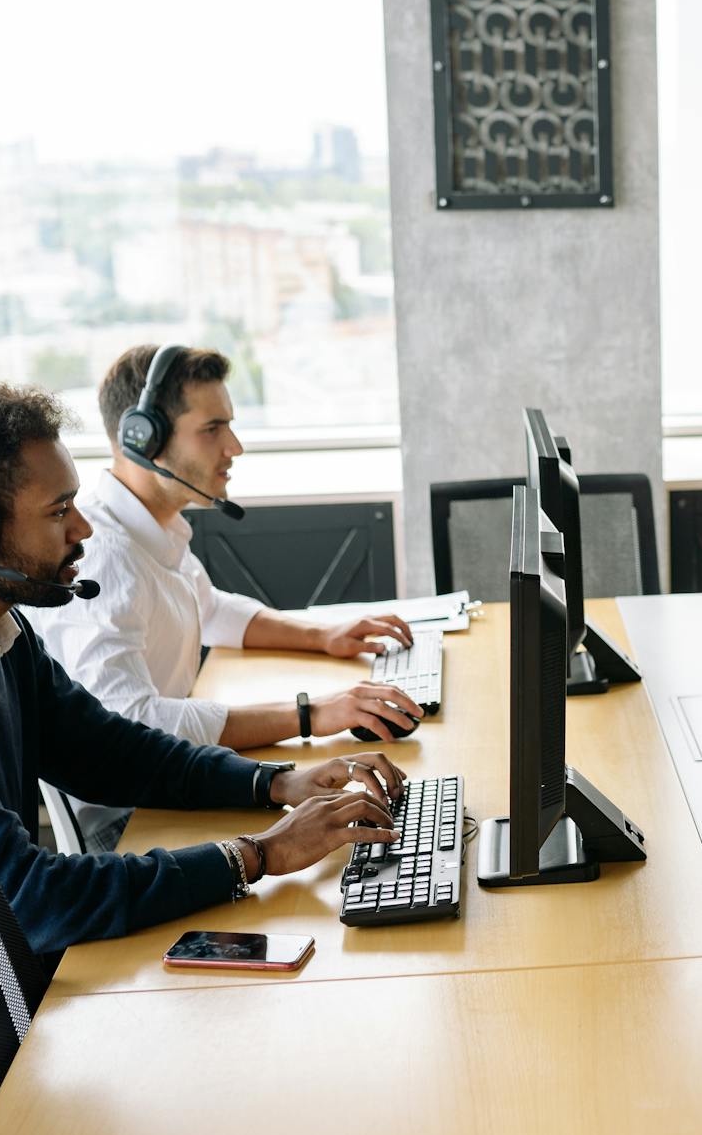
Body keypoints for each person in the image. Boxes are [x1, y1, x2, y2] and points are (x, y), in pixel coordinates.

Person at [0, 385, 406, 1096]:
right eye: (57, 512)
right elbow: (26, 899)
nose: (83, 529)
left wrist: (270, 785)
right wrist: (257, 856)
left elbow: (108, 751)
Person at [27, 345, 423, 849]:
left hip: (172, 782)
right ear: (141, 436)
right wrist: (311, 714)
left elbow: (209, 608)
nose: (233, 447)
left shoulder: (150, 527)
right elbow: (134, 724)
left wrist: (326, 636)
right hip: (130, 824)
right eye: (212, 429)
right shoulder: (105, 555)